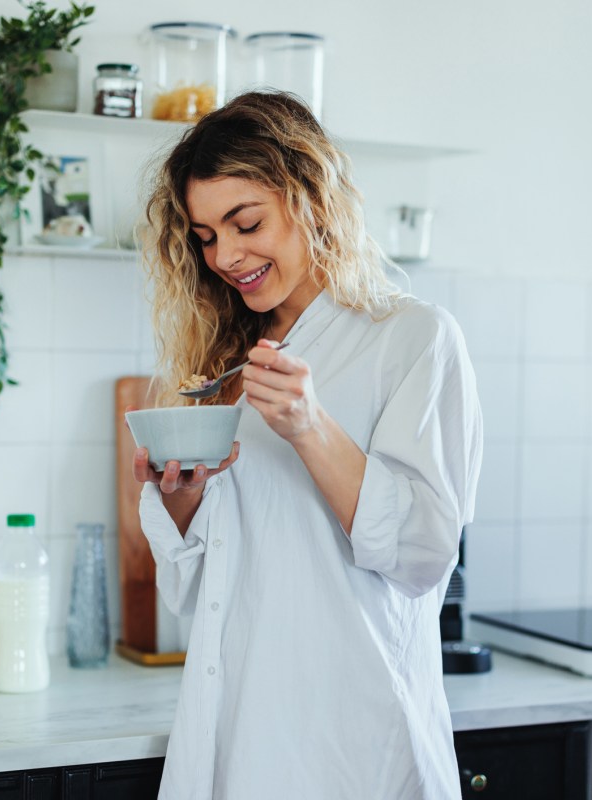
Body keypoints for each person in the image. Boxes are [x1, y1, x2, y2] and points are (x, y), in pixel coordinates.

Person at [132, 91, 483, 800]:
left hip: (350, 744)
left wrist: (309, 426)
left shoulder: (412, 338)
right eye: (205, 236)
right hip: (234, 732)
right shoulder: (223, 357)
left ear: (310, 196)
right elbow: (200, 589)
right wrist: (184, 498)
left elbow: (424, 555)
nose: (226, 255)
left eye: (246, 222)